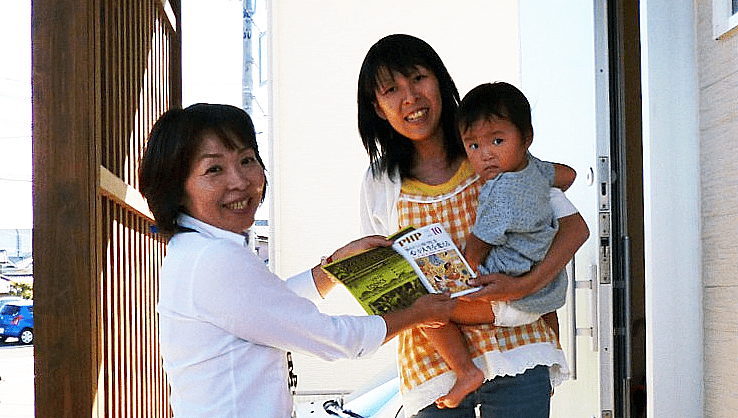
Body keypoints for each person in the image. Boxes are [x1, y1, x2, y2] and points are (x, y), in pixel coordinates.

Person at [137, 103, 456, 418]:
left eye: (247, 160)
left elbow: (265, 309)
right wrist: (419, 313)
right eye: (214, 169)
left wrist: (334, 268)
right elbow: (334, 339)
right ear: (177, 189)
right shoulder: (214, 258)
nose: (240, 181)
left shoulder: (192, 250)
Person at [357, 34, 589, 417]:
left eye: (418, 78)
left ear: (440, 81)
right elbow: (385, 277)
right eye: (392, 89)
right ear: (378, 108)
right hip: (434, 369)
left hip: (520, 351)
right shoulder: (379, 182)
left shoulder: (489, 150)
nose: (410, 97)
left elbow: (568, 228)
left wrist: (523, 286)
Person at [422, 81, 576, 408]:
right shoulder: (536, 173)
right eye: (474, 146)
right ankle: (554, 357)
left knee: (426, 307)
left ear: (527, 137)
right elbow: (569, 174)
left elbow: (476, 250)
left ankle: (466, 371)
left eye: (497, 140)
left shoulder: (500, 193)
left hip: (504, 296)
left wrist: (453, 276)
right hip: (543, 299)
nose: (487, 154)